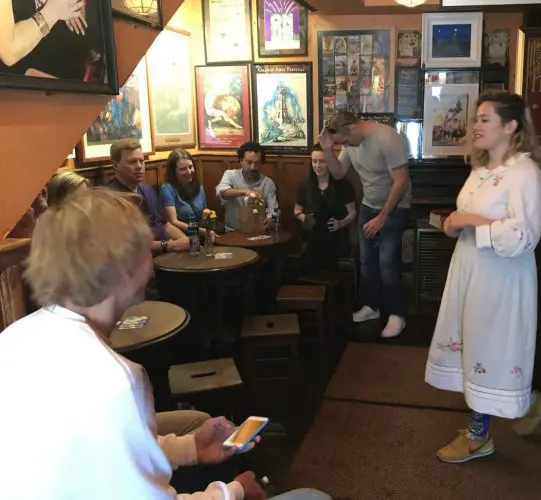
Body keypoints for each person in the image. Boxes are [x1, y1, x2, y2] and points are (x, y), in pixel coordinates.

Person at [0, 188, 332, 500]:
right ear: (123, 267)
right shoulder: (116, 381)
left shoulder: (14, 336)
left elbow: (103, 455)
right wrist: (235, 492)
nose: (154, 249)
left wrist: (192, 449)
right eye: (146, 246)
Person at [424, 90, 541, 463]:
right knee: (477, 347)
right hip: (470, 270)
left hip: (500, 279)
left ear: (510, 126)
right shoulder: (481, 170)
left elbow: (523, 236)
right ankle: (526, 403)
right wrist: (453, 223)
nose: (475, 126)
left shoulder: (525, 174)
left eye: (485, 119)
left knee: (487, 348)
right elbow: (466, 219)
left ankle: (480, 436)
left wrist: (468, 222)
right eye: (475, 119)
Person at [318, 111, 411, 338]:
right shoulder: (350, 141)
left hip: (395, 206)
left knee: (387, 263)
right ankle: (372, 306)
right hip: (369, 204)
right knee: (366, 261)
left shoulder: (387, 138)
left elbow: (401, 182)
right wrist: (328, 149)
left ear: (351, 128)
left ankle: (397, 315)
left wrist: (383, 217)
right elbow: (338, 172)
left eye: (344, 141)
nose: (346, 146)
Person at [105, 138, 189, 255]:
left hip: (163, 254)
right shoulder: (109, 198)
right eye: (132, 162)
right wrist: (170, 245)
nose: (139, 166)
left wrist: (185, 241)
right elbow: (126, 244)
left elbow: (164, 225)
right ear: (115, 165)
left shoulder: (146, 189)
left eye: (142, 161)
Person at [294, 143, 356, 274]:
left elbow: (353, 213)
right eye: (314, 161)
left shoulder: (343, 185)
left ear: (330, 162)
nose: (317, 166)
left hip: (336, 237)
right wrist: (303, 217)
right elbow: (296, 210)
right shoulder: (304, 185)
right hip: (312, 236)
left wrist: (341, 223)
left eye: (322, 161)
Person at [215, 141, 278, 232]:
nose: (253, 167)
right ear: (241, 161)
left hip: (259, 231)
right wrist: (245, 192)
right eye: (249, 162)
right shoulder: (230, 175)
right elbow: (221, 192)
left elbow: (273, 209)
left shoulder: (268, 183)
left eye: (257, 163)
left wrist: (271, 219)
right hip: (233, 231)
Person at [160, 148, 216, 241]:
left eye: (190, 167)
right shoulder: (167, 189)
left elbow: (205, 213)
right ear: (173, 171)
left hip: (201, 234)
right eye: (183, 169)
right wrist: (199, 231)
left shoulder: (199, 187)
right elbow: (173, 222)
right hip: (181, 237)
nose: (189, 172)